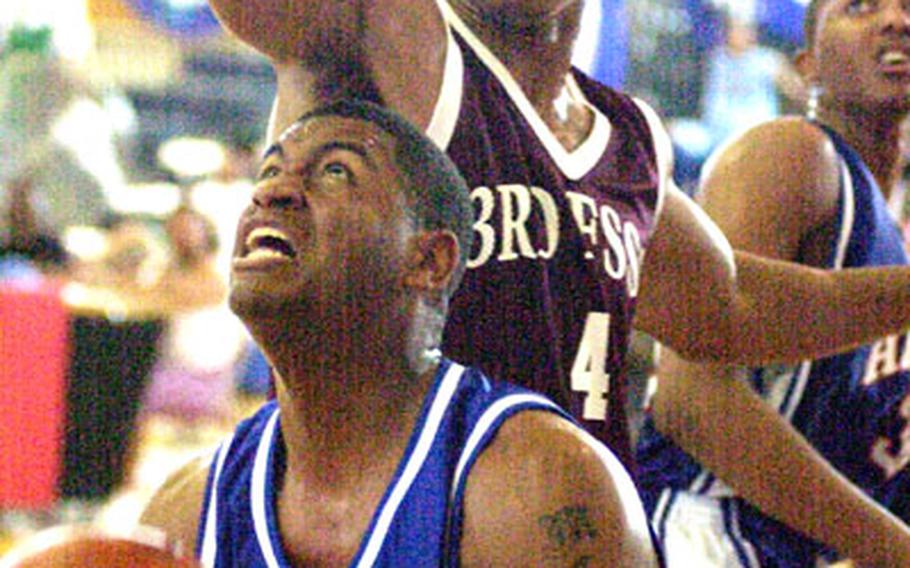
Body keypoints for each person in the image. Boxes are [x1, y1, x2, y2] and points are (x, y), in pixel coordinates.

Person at [205, 0, 910, 479]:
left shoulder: (626, 135)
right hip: (391, 529)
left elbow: (731, 306)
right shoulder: (378, 30)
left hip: (574, 529)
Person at [141, 100, 658, 566]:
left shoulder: (538, 487)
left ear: (429, 261)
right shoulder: (187, 512)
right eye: (269, 172)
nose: (272, 191)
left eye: (336, 172)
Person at [635, 0, 910, 566]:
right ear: (807, 66)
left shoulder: (892, 229)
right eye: (859, 6)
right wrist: (891, 547)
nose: (896, 20)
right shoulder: (790, 155)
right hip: (711, 532)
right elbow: (691, 401)